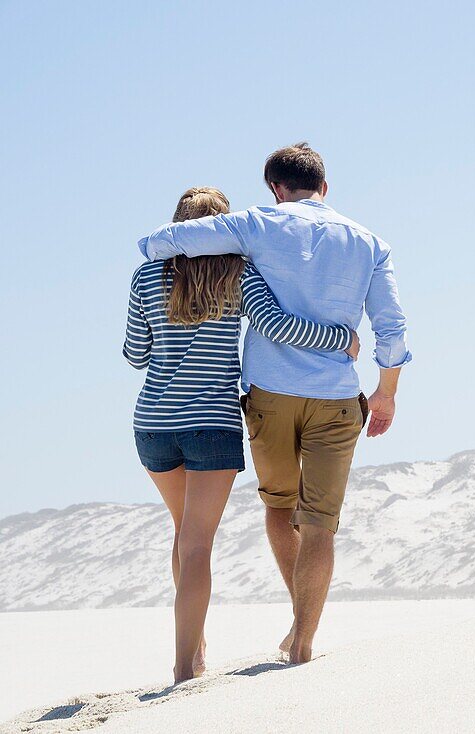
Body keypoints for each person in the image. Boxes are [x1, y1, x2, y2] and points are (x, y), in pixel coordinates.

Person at [138, 143, 412, 664]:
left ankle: (245, 638)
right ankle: (302, 639)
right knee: (320, 523)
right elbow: (393, 328)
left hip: (264, 398)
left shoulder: (256, 224)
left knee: (277, 508)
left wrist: (164, 255)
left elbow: (158, 246)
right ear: (325, 188)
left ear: (274, 189)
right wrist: (385, 393)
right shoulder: (369, 243)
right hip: (334, 397)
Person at [126, 186, 359, 683]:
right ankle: (185, 667)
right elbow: (277, 326)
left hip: (154, 425)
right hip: (211, 424)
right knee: (196, 543)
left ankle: (196, 648)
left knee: (184, 535)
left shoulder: (146, 276)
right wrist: (343, 339)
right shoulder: (238, 275)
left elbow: (134, 354)